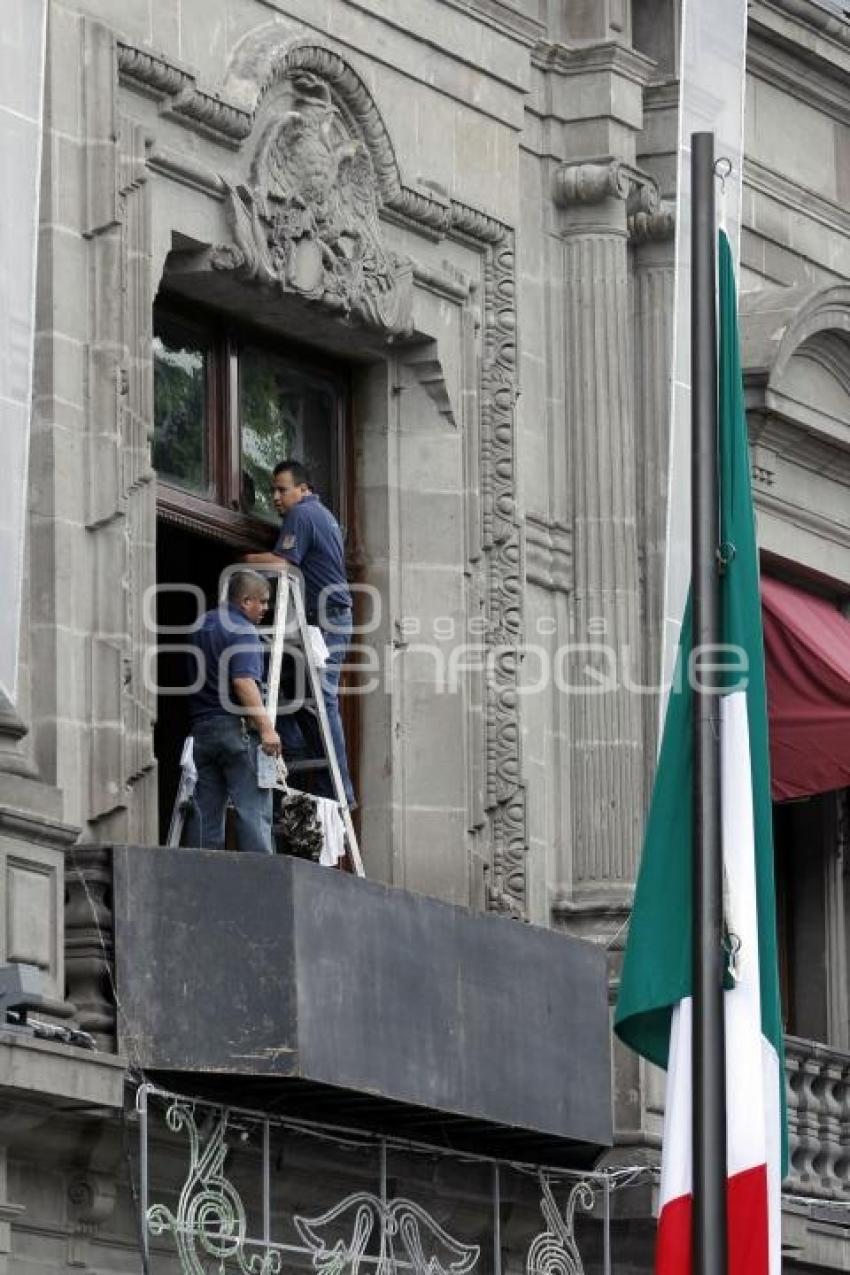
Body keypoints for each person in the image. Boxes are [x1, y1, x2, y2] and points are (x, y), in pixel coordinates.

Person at [243, 459, 355, 807]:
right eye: (272, 490)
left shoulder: (303, 514)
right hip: (320, 620)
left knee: (323, 698)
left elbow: (282, 563)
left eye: (282, 489)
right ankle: (306, 757)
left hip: (326, 621)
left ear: (303, 489)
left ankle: (339, 790)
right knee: (288, 690)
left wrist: (245, 560)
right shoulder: (319, 514)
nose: (276, 497)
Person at [184, 570, 281, 854]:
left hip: (202, 730)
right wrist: (266, 728)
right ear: (244, 600)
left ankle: (200, 878)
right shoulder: (243, 630)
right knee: (253, 811)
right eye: (261, 602)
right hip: (236, 731)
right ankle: (262, 883)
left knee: (205, 812)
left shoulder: (201, 625)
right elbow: (243, 681)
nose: (265, 609)